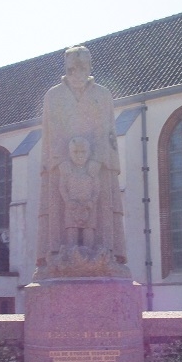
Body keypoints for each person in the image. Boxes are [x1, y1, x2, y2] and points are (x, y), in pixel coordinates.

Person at [36, 45, 128, 278]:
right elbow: (51, 132)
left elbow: (106, 129)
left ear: (89, 68)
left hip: (98, 167)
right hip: (62, 168)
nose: (77, 73)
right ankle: (58, 255)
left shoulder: (102, 94)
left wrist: (97, 160)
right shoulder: (53, 96)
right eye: (72, 68)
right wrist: (60, 162)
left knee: (100, 210)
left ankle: (105, 254)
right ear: (65, 69)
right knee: (60, 212)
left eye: (82, 67)